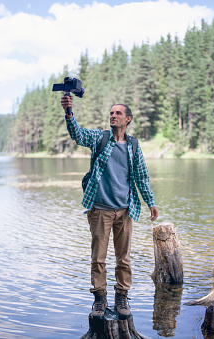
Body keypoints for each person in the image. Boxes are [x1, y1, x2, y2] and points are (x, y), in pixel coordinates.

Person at [61, 94, 159, 319]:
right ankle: (99, 299)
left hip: (125, 210)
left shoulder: (133, 145)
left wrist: (150, 201)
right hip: (100, 210)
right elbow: (78, 134)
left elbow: (141, 176)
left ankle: (122, 296)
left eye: (118, 113)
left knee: (123, 258)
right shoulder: (100, 138)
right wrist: (69, 113)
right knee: (98, 258)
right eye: (111, 113)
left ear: (128, 119)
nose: (113, 116)